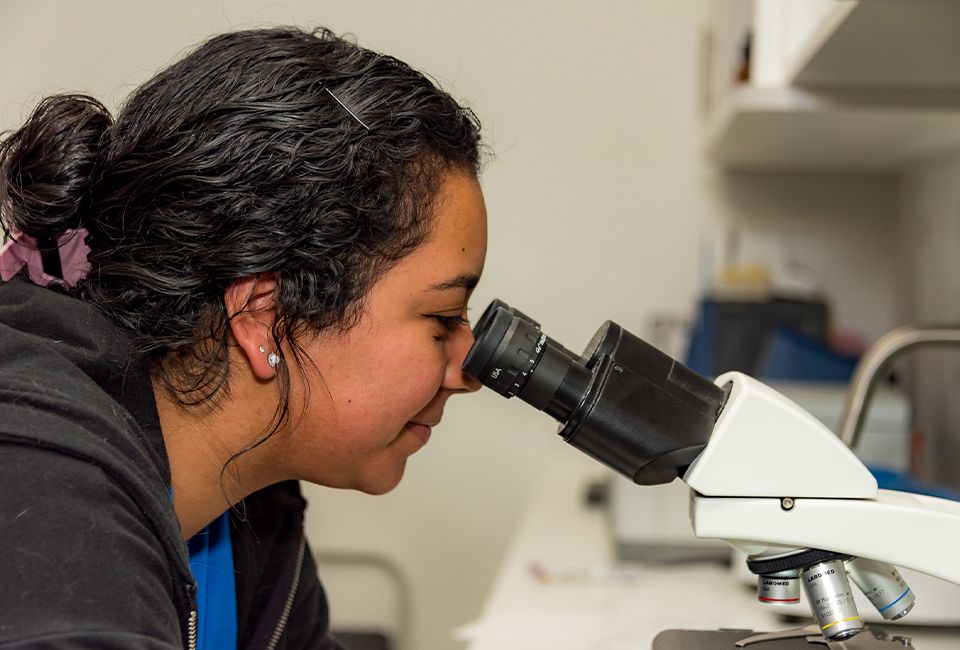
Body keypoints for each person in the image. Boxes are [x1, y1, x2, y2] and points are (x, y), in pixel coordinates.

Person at [0, 26, 487, 649]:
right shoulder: (42, 492)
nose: (470, 369)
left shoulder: (247, 494)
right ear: (262, 315)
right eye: (443, 318)